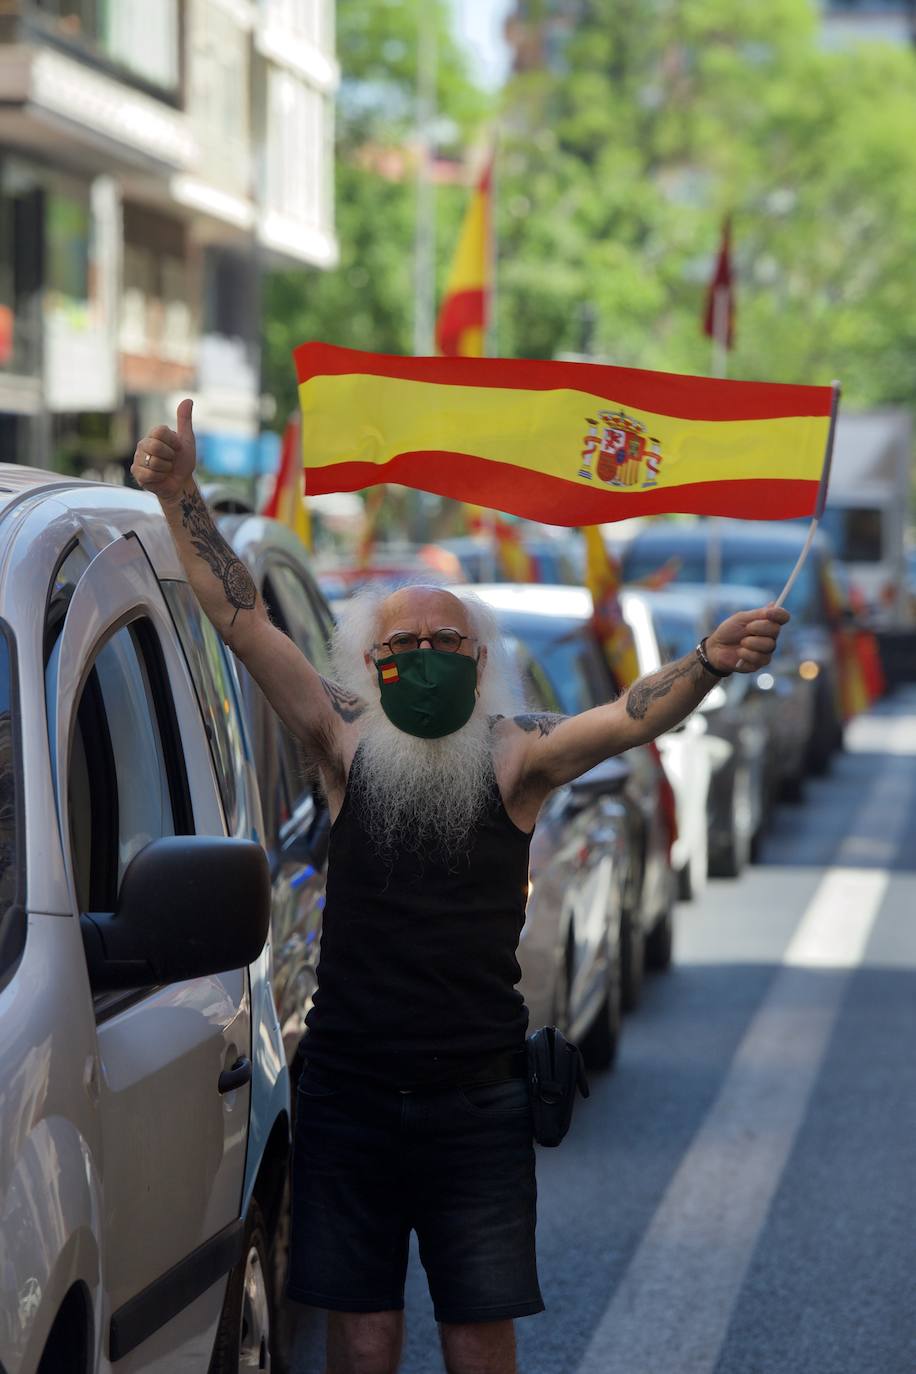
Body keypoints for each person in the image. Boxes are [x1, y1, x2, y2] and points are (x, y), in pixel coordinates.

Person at [132, 403, 789, 1374]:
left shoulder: (515, 757)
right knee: (362, 1332)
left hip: (477, 1099)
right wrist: (179, 494)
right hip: (350, 1091)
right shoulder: (341, 740)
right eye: (406, 646)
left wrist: (705, 662)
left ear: (479, 663)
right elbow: (239, 617)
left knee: (480, 1332)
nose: (427, 656)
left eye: (448, 640)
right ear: (369, 664)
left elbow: (624, 720)